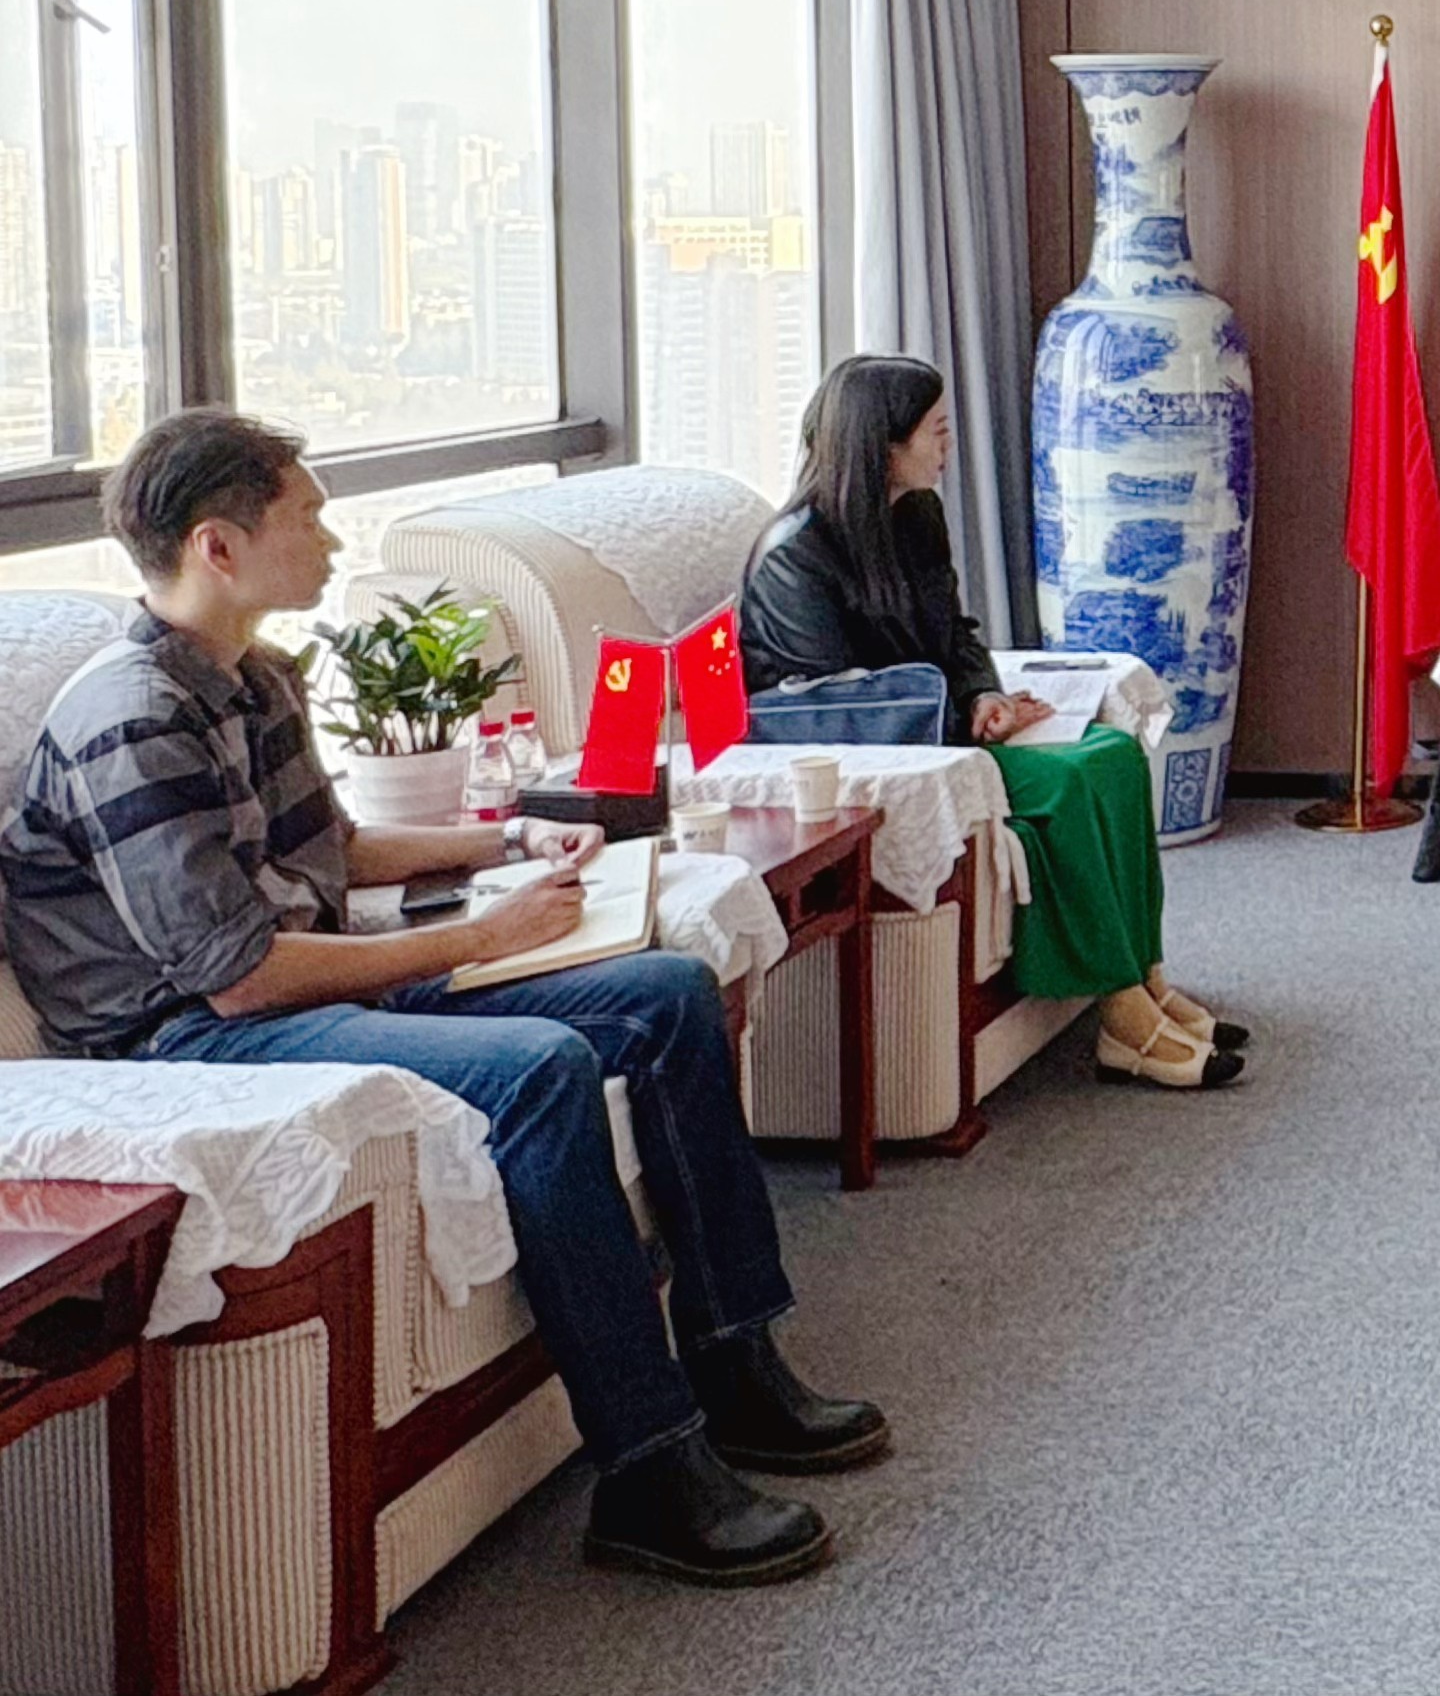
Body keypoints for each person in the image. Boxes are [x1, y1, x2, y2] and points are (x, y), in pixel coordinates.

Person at [0, 410, 885, 1587]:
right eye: (306, 517)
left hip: (294, 978)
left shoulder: (254, 676)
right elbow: (236, 975)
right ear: (218, 545)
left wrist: (507, 836)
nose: (330, 538)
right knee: (542, 1068)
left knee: (668, 992)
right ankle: (648, 1465)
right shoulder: (129, 717)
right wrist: (481, 937)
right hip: (185, 1040)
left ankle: (734, 1360)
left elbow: (337, 851)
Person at [737, 355, 1246, 1091]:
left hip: (941, 728)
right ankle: (1124, 1021)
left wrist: (982, 696)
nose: (948, 446)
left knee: (1111, 754)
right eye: (937, 431)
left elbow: (955, 633)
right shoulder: (794, 556)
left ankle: (1146, 976)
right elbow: (837, 705)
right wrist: (961, 714)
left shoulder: (915, 515)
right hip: (883, 759)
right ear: (884, 446)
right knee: (1068, 780)